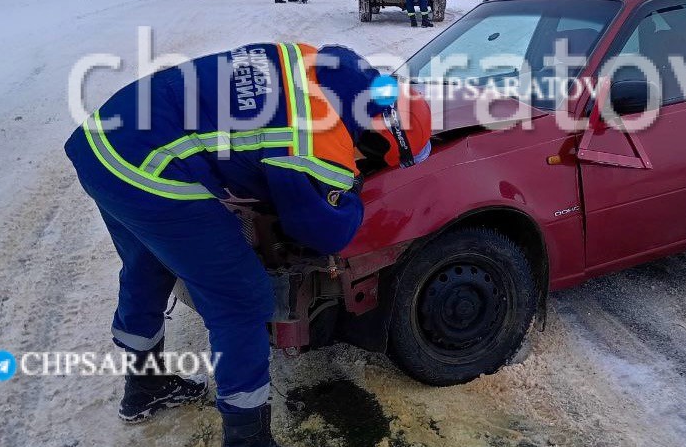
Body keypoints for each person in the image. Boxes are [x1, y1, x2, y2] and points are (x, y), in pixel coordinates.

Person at [63, 43, 432, 447]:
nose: (363, 161)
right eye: (375, 158)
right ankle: (247, 438)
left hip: (103, 142)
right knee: (241, 301)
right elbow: (324, 231)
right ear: (379, 141)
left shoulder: (323, 62)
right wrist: (351, 192)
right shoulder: (316, 142)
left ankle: (145, 388)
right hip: (147, 171)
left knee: (148, 265)